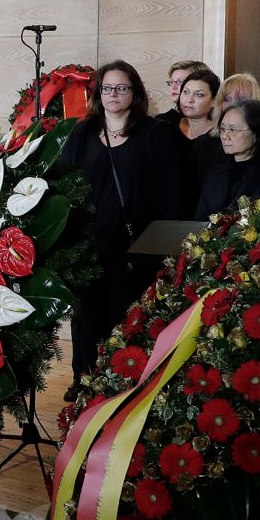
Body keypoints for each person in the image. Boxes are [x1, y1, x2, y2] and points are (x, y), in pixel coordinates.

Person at [59, 61, 185, 383]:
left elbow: (170, 193)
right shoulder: (82, 133)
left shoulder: (154, 133)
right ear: (98, 93)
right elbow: (63, 186)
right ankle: (83, 383)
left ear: (135, 92)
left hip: (134, 250)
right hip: (87, 248)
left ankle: (119, 387)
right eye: (107, 88)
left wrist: (162, 248)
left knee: (124, 320)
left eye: (122, 88)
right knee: (86, 320)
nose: (113, 94)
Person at [194, 99, 260, 220]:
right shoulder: (216, 173)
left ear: (256, 132)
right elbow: (200, 219)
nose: (225, 136)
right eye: (223, 129)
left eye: (233, 129)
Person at [173, 68, 223, 211]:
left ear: (214, 101)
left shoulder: (220, 138)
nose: (189, 100)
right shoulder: (166, 129)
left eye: (199, 95)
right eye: (186, 92)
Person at [154, 60, 205, 128]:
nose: (173, 87)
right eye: (172, 82)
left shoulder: (217, 122)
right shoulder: (162, 121)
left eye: (180, 81)